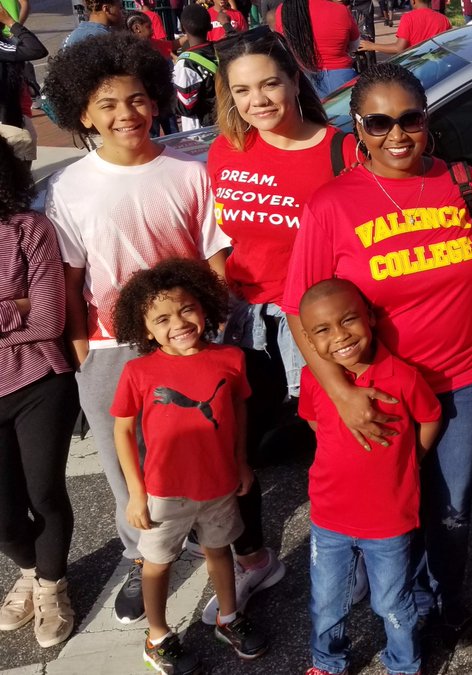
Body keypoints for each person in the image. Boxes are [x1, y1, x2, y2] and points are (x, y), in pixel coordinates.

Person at [282, 63, 472, 638]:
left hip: (462, 378)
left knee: (451, 507)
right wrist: (341, 394)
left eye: (410, 119)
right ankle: (401, 601)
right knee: (389, 503)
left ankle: (444, 598)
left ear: (427, 120)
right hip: (376, 391)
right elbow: (299, 310)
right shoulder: (332, 204)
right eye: (379, 123)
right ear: (358, 127)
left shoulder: (463, 183)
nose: (397, 135)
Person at [42, 32, 231, 626]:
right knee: (126, 461)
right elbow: (71, 275)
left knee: (197, 443)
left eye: (136, 99)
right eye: (107, 104)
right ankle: (140, 555)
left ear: (155, 100)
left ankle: (207, 536)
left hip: (186, 339)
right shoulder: (68, 187)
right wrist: (80, 345)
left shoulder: (188, 172)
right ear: (83, 114)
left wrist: (215, 325)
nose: (126, 113)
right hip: (107, 345)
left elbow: (214, 256)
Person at [199, 25, 356, 626]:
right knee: (235, 449)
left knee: (334, 447)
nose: (258, 100)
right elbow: (221, 237)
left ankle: (355, 557)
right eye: (242, 90)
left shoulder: (339, 150)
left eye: (269, 83)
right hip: (244, 323)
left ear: (294, 79)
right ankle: (256, 558)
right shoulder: (226, 150)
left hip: (312, 321)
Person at [111, 259, 269, 674]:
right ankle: (158, 637)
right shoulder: (137, 371)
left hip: (219, 484)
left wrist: (241, 461)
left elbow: (238, 408)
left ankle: (228, 618)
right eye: (162, 319)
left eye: (186, 309)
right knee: (157, 564)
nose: (178, 323)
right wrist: (137, 494)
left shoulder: (231, 358)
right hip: (164, 492)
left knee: (220, 550)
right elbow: (122, 430)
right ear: (146, 329)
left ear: (204, 307)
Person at [297, 278, 441, 675]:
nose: (340, 336)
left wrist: (411, 460)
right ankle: (328, 662)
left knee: (391, 602)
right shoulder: (313, 378)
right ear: (308, 341)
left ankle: (404, 665)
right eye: (322, 330)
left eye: (348, 320)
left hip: (388, 520)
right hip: (329, 516)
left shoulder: (404, 377)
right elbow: (312, 420)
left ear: (371, 318)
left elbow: (430, 418)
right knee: (327, 601)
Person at [0, 137, 79, 650]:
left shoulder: (29, 228)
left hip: (38, 381)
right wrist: (16, 306)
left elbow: (49, 319)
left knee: (44, 493)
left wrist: (26, 310)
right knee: (4, 517)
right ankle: (29, 571)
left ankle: (52, 585)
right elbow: (30, 311)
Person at [276, 0, 359, 98]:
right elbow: (355, 45)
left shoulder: (283, 10)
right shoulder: (341, 10)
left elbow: (283, 47)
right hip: (342, 77)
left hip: (304, 81)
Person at [0, 4, 45, 165]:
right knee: (18, 174)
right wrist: (10, 22)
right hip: (8, 123)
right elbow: (36, 50)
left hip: (14, 116)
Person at [175, 3, 219, 131]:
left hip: (200, 130)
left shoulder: (186, 63)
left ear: (183, 29)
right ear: (210, 27)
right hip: (222, 120)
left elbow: (186, 107)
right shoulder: (220, 51)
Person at [359, 0, 449, 55]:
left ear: (414, 1)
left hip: (415, 65)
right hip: (437, 66)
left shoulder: (408, 18)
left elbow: (399, 48)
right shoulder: (444, 19)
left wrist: (372, 46)